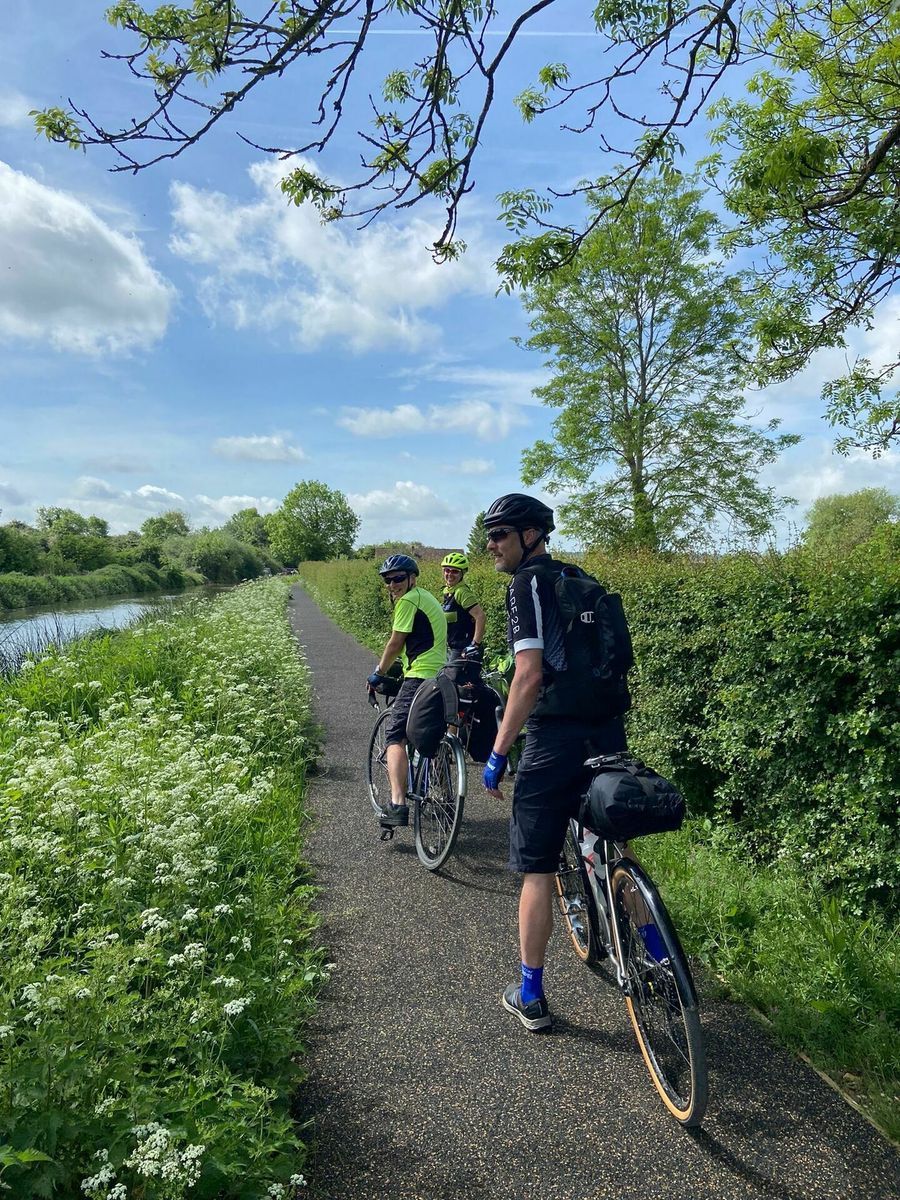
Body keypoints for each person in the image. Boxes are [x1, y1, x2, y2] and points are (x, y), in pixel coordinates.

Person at [481, 494, 628, 1032]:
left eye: (499, 534)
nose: (490, 545)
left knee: (537, 869)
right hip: (607, 728)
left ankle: (531, 996)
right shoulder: (580, 578)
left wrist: (498, 752)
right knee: (613, 845)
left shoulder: (526, 585)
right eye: (489, 536)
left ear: (530, 536)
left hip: (555, 738)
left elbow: (528, 675)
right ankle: (658, 959)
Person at [367, 554, 447, 828]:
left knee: (395, 736)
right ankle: (436, 788)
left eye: (398, 578)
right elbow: (419, 642)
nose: (393, 585)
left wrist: (378, 672)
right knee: (427, 733)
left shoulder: (408, 600)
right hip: (441, 675)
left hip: (420, 676)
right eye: (388, 581)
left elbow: (395, 642)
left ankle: (397, 804)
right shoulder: (427, 597)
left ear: (412, 578)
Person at [440, 552, 486, 662]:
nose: (450, 574)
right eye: (447, 570)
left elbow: (480, 617)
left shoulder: (462, 592)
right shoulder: (447, 591)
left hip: (463, 648)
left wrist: (475, 644)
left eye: (455, 571)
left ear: (462, 573)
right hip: (452, 646)